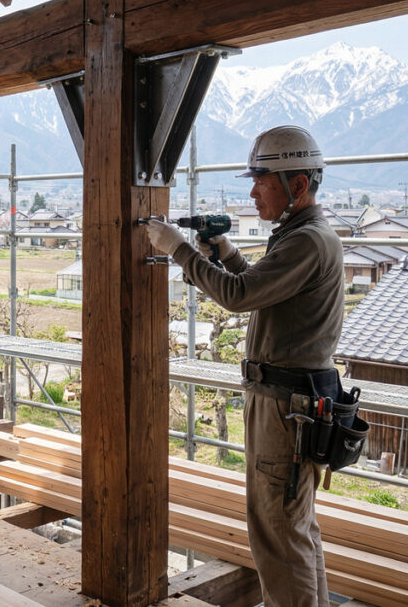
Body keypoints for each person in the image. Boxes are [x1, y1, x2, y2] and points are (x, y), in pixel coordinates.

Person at [147, 126, 343, 607]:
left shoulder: (307, 242)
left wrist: (178, 249)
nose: (253, 191)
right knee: (294, 528)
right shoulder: (300, 236)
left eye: (262, 180)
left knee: (278, 533)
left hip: (287, 408)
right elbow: (258, 284)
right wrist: (226, 253)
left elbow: (239, 296)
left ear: (298, 185)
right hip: (289, 402)